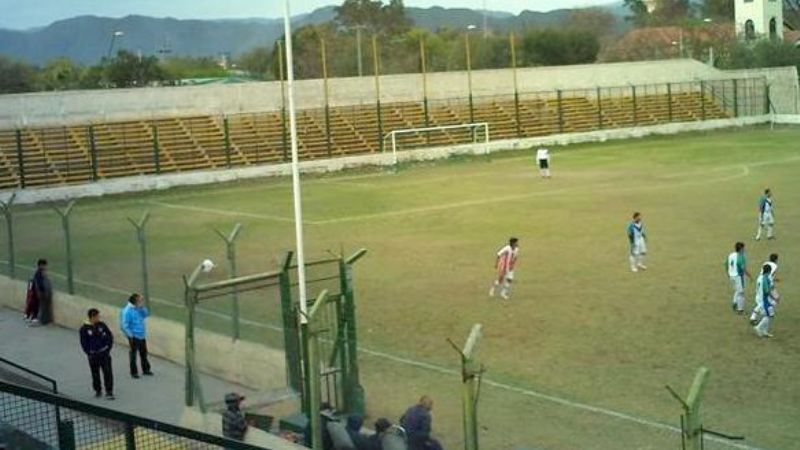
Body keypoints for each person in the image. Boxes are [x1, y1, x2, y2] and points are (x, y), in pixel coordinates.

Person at [79, 308, 115, 400]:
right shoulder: (84, 329)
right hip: (93, 355)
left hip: (104, 354)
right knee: (95, 373)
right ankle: (98, 390)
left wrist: (108, 348)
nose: (99, 318)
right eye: (97, 316)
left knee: (108, 372)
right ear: (92, 317)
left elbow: (109, 336)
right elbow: (84, 343)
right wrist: (89, 352)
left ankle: (109, 391)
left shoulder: (102, 325)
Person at [121, 293, 152, 378]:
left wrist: (142, 307)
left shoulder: (139, 308)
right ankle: (134, 372)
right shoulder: (127, 311)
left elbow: (146, 314)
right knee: (133, 355)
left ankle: (146, 369)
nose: (141, 302)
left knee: (144, 353)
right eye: (140, 300)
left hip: (141, 335)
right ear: (135, 301)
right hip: (134, 336)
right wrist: (130, 336)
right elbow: (124, 325)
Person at [749, 253, 779, 325]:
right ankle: (767, 313)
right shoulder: (775, 266)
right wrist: (771, 284)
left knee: (761, 300)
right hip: (766, 282)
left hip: (760, 279)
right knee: (768, 300)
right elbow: (770, 275)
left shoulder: (765, 263)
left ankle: (754, 317)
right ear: (776, 259)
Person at [753, 264, 779, 338]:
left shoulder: (760, 277)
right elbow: (767, 291)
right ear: (769, 271)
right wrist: (774, 298)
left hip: (762, 299)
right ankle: (758, 327)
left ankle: (764, 331)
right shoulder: (765, 279)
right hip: (765, 300)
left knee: (768, 315)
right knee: (770, 315)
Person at [726, 242, 752, 314]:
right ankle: (740, 310)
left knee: (737, 290)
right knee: (741, 292)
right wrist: (749, 275)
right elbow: (743, 268)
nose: (744, 250)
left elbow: (726, 264)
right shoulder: (741, 257)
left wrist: (728, 273)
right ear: (741, 249)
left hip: (731, 276)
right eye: (743, 248)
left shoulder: (730, 255)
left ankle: (734, 302)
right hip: (738, 276)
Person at [28, 259, 53, 326]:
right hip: (42, 293)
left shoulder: (40, 273)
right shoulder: (39, 273)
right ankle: (41, 321)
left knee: (44, 307)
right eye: (45, 265)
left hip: (42, 293)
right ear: (41, 265)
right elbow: (40, 284)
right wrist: (44, 292)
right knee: (42, 307)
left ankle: (45, 320)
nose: (46, 267)